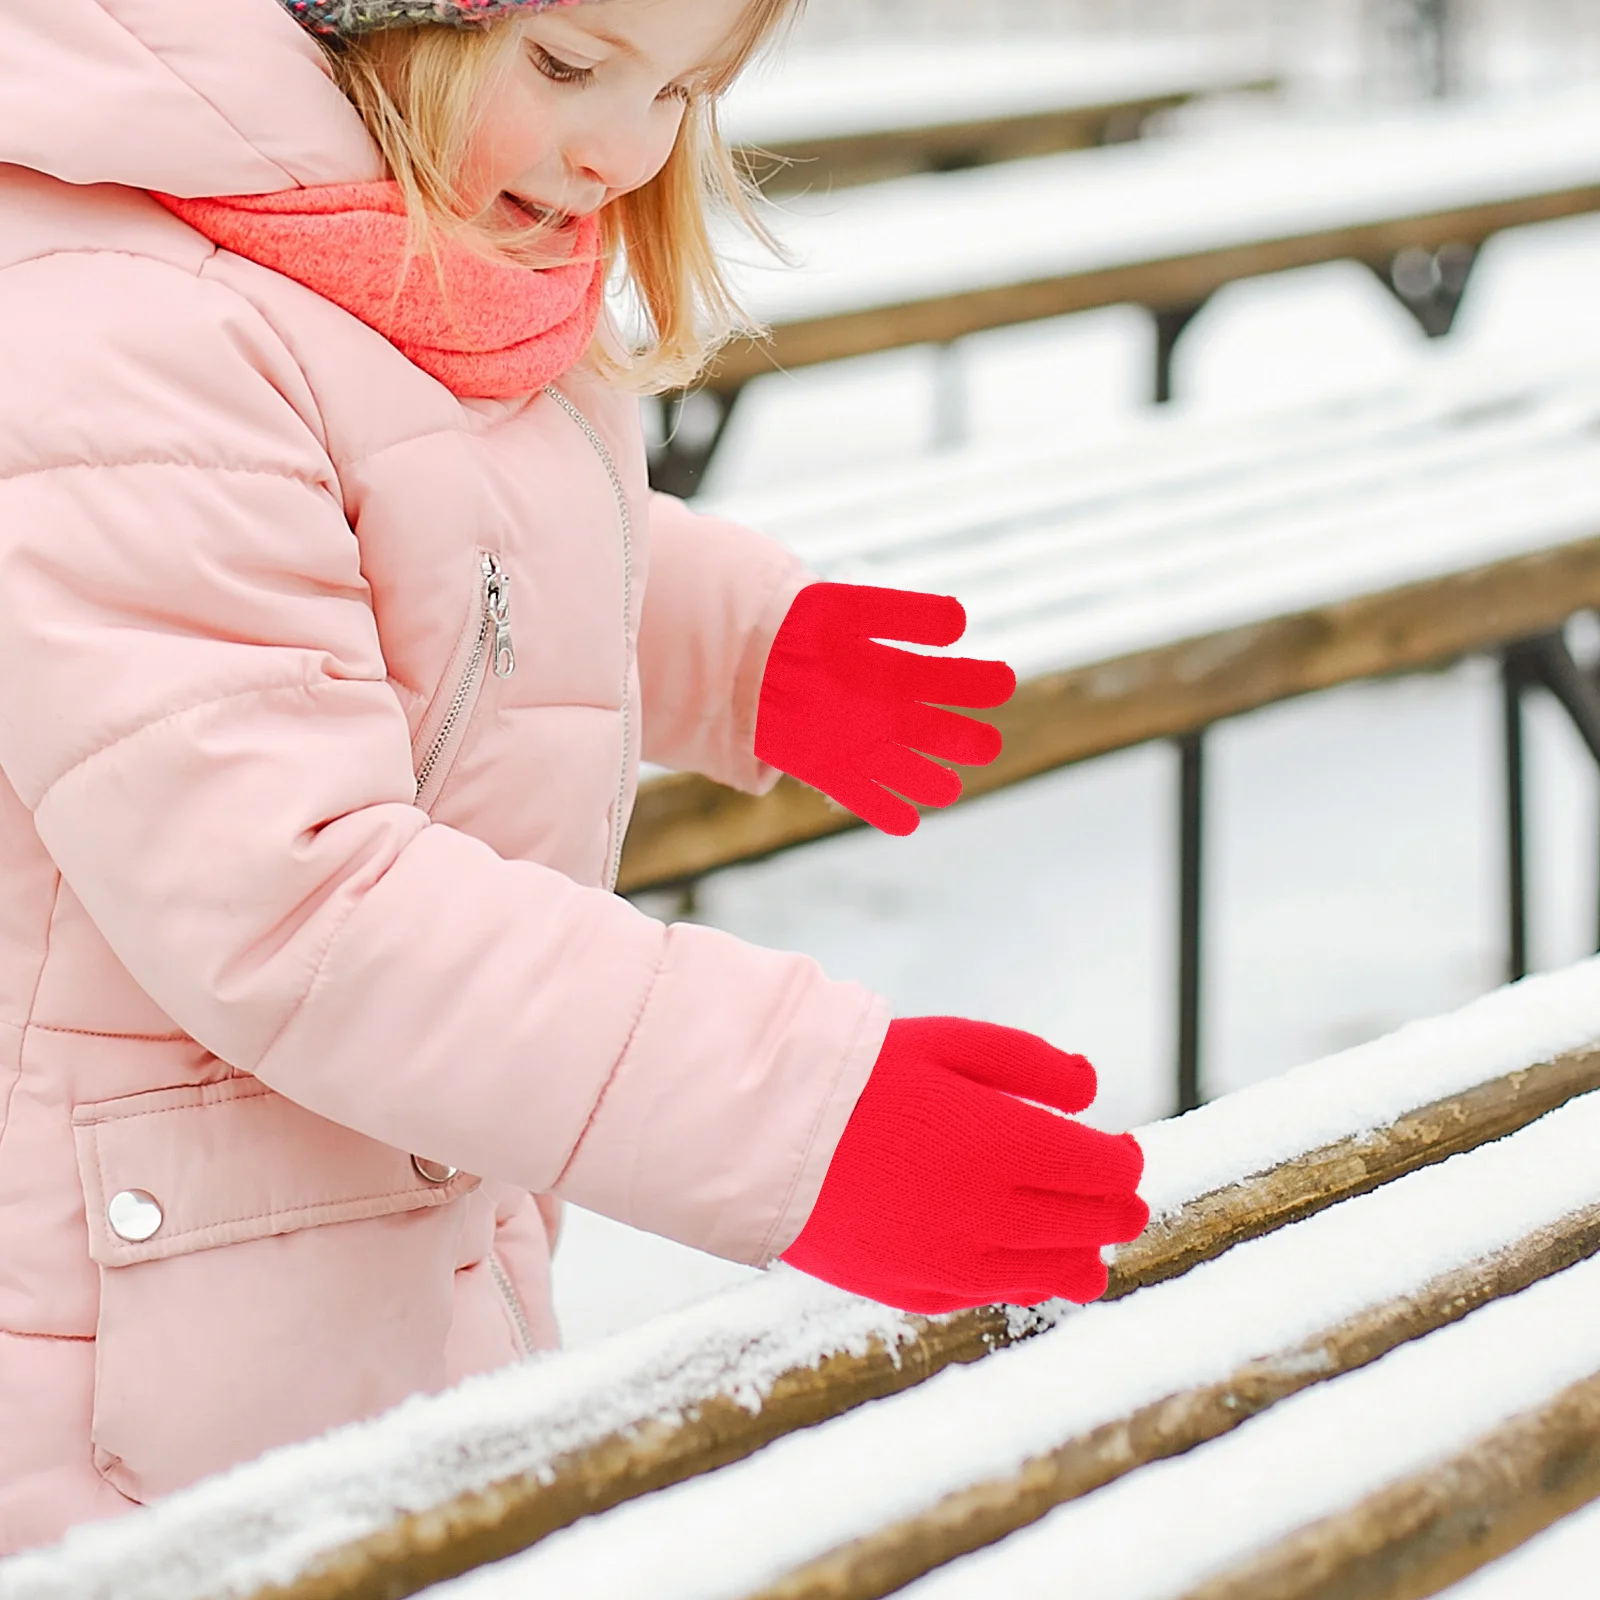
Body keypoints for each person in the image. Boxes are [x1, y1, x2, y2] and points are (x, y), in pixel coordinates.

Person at [0, 0, 1149, 1552]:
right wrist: (797, 1115)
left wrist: (736, 646)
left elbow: (422, 522)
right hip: (124, 1359)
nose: (625, 147)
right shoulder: (110, 328)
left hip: (358, 1238)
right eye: (566, 65)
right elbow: (297, 897)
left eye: (681, 89)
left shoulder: (363, 253)